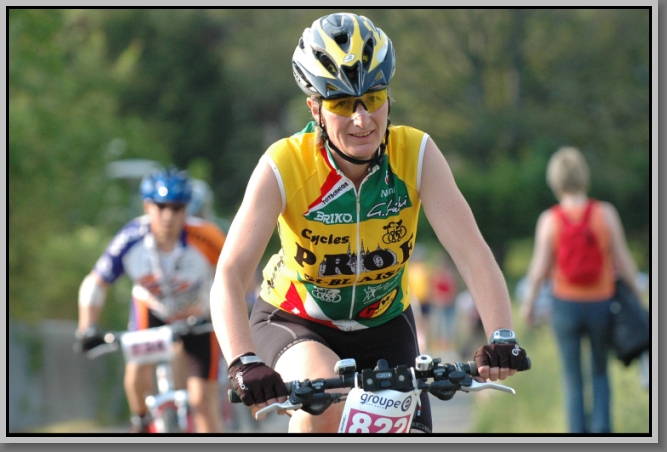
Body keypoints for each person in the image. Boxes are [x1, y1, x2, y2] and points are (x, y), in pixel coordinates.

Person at [210, 12, 529, 434]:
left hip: (385, 324)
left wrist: (502, 335)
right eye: (343, 104)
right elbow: (230, 274)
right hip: (297, 319)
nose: (362, 120)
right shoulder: (284, 165)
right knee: (326, 404)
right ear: (315, 108)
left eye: (373, 98)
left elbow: (472, 253)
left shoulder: (416, 154)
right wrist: (243, 361)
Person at [74, 166, 227, 433]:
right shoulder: (130, 238)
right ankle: (141, 422)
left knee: (203, 402)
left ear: (186, 209)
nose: (168, 215)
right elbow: (96, 282)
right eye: (161, 206)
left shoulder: (207, 236)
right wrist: (87, 327)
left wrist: (246, 306)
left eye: (177, 208)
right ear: (147, 206)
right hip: (152, 311)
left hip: (198, 315)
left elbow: (239, 273)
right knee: (137, 371)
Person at [520, 146, 641, 433]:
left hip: (565, 304)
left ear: (555, 180)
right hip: (602, 303)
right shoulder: (605, 214)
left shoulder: (550, 220)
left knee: (572, 378)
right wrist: (638, 296)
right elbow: (624, 262)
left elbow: (538, 270)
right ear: (584, 176)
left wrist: (529, 305)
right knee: (600, 372)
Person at [428, 251, 459, 356]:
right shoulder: (437, 275)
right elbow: (433, 289)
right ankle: (437, 348)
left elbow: (453, 289)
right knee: (437, 325)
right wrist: (438, 299)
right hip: (438, 304)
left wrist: (448, 299)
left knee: (448, 327)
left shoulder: (450, 276)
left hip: (448, 304)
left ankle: (447, 348)